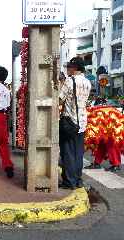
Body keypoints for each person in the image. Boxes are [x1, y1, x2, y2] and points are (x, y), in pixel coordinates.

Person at [59, 57, 91, 189]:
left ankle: (69, 182)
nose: (67, 69)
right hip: (82, 122)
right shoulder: (87, 82)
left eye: (69, 67)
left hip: (69, 122)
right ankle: (77, 180)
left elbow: (60, 99)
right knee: (78, 153)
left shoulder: (70, 80)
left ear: (75, 68)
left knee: (68, 153)